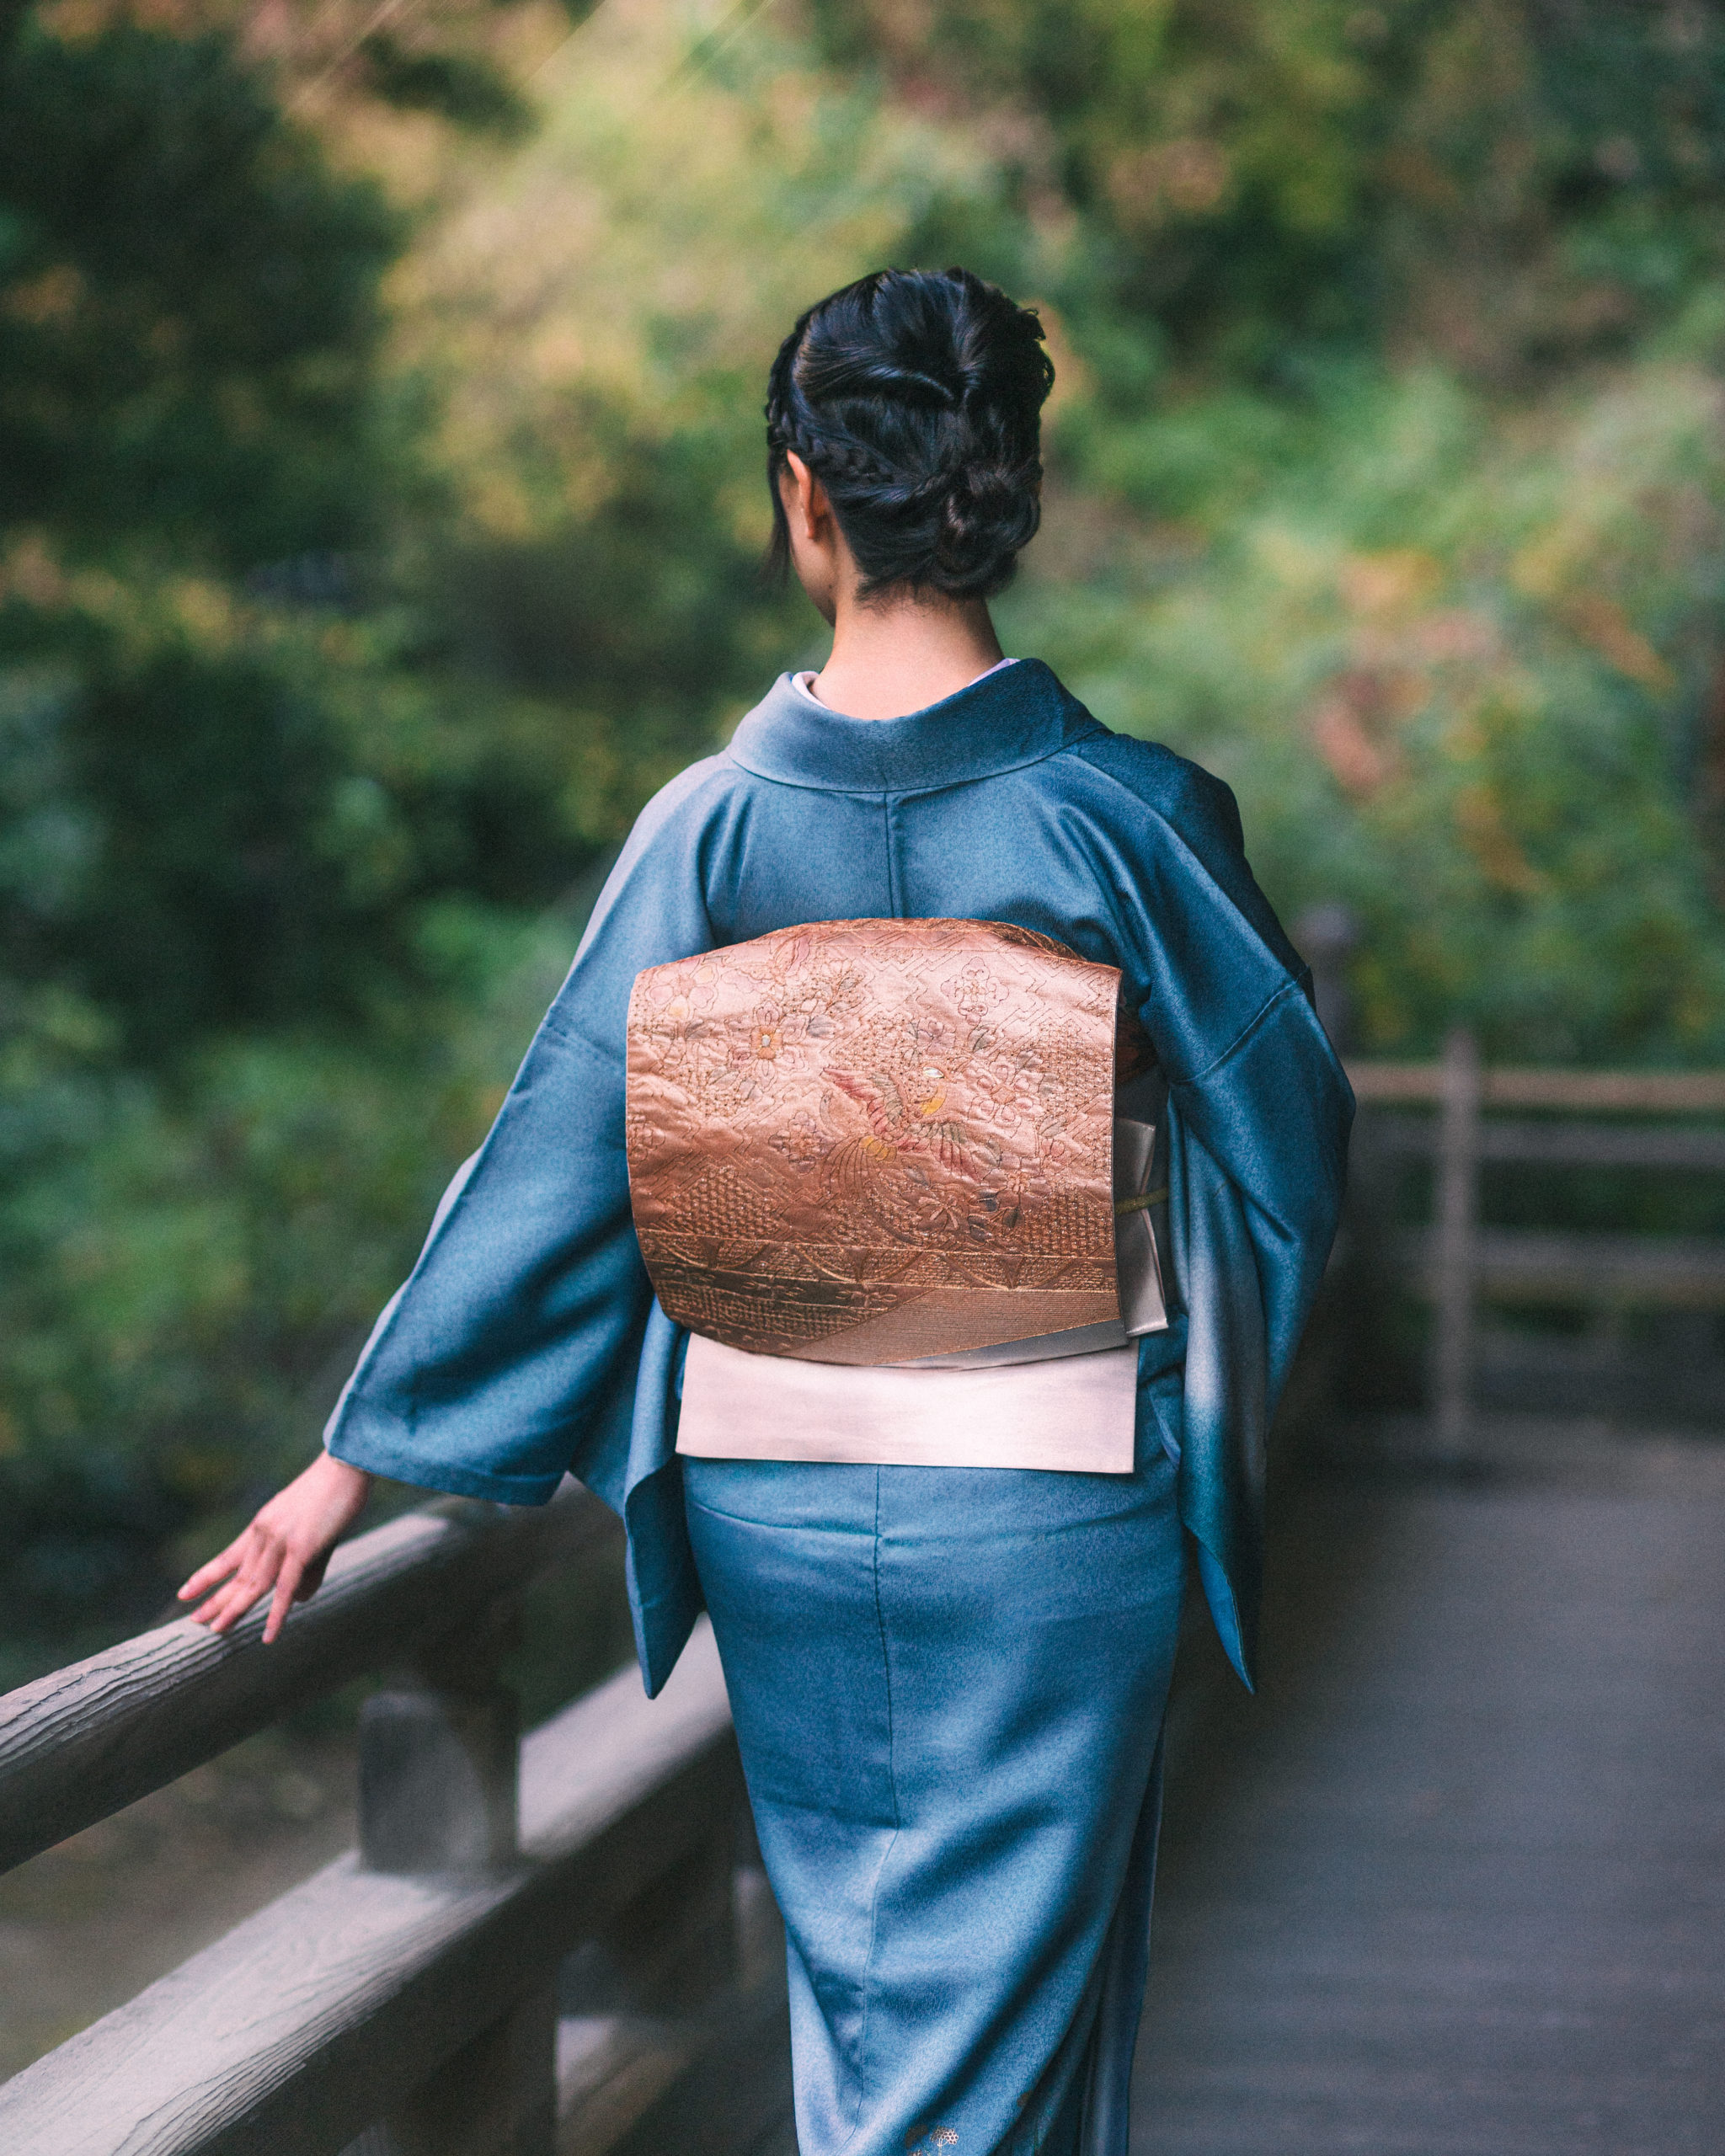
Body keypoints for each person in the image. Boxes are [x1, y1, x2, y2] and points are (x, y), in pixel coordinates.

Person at [179, 265, 1353, 2156]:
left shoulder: (708, 828)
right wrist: (1097, 1211)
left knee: (873, 2019)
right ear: (1010, 490)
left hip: (781, 1502)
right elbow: (1292, 1140)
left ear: (804, 494)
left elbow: (557, 1162)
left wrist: (355, 1458)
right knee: (997, 2040)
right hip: (1056, 1510)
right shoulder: (1125, 818)